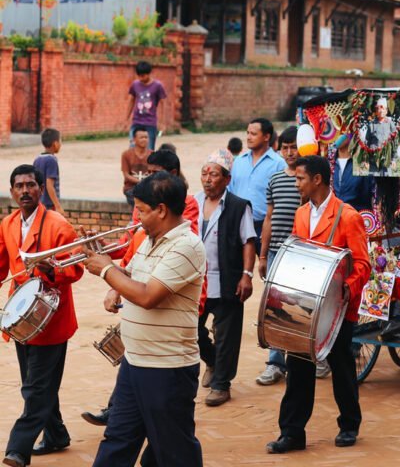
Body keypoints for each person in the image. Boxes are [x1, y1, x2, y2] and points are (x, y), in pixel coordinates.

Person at [81, 172, 205, 466]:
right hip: (135, 363)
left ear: (161, 210)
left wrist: (106, 270)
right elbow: (131, 276)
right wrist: (104, 263)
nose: (136, 217)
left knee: (174, 450)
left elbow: (149, 296)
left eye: (142, 210)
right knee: (117, 442)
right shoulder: (150, 241)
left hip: (167, 368)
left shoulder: (187, 246)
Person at [267, 155, 371, 454]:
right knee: (298, 366)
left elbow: (362, 264)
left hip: (339, 309)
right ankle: (292, 432)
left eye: (299, 178)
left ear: (317, 179)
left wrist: (345, 292)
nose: (295, 182)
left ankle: (349, 424)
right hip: (306, 306)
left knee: (341, 365)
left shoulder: (347, 216)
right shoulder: (301, 215)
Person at [0, 165, 84, 467]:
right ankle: (57, 435)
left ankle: (18, 448)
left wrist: (54, 270)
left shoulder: (59, 226)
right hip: (21, 317)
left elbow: (76, 269)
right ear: (12, 192)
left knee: (35, 388)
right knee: (37, 382)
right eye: (19, 186)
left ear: (40, 189)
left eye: (31, 185)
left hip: (52, 319)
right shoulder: (8, 224)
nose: (25, 191)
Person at [196, 149, 256, 407]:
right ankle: (210, 359)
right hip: (196, 281)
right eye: (204, 173)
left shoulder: (238, 206)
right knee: (193, 330)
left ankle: (222, 384)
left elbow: (248, 241)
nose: (208, 179)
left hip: (228, 278)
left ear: (227, 179)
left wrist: (247, 275)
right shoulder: (192, 202)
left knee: (227, 336)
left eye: (214, 174)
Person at [256, 127, 302, 386]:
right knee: (274, 307)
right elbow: (268, 219)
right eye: (284, 148)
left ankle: (304, 358)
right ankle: (275, 362)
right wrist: (262, 256)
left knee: (301, 306)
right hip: (275, 252)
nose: (289, 152)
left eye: (293, 147)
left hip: (301, 254)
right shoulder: (275, 179)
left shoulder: (308, 177)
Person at [228, 118, 287, 256]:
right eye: (247, 133)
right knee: (236, 269)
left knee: (268, 268)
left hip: (265, 225)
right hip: (239, 223)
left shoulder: (279, 164)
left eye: (253, 134)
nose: (248, 137)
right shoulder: (238, 162)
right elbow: (230, 191)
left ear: (266, 136)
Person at [126, 61, 166, 150]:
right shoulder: (135, 85)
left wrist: (162, 123)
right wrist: (126, 119)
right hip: (136, 121)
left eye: (143, 76)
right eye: (139, 76)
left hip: (150, 122)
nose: (141, 78)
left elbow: (163, 104)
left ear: (149, 74)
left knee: (149, 149)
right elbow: (131, 101)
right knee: (133, 148)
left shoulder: (157, 86)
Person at [333, 135, 375, 211]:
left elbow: (375, 196)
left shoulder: (364, 163)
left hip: (358, 219)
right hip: (333, 220)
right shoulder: (328, 163)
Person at [32, 128, 63, 215]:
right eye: (60, 141)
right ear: (55, 144)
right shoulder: (52, 160)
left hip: (38, 204)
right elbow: (49, 184)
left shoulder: (37, 159)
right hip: (49, 205)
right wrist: (58, 206)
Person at [120, 126, 152, 208]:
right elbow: (126, 175)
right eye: (141, 137)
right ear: (134, 139)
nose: (144, 140)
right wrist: (140, 182)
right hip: (131, 187)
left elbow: (155, 174)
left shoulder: (153, 155)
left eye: (146, 137)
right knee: (138, 201)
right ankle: (135, 220)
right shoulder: (126, 154)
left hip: (148, 187)